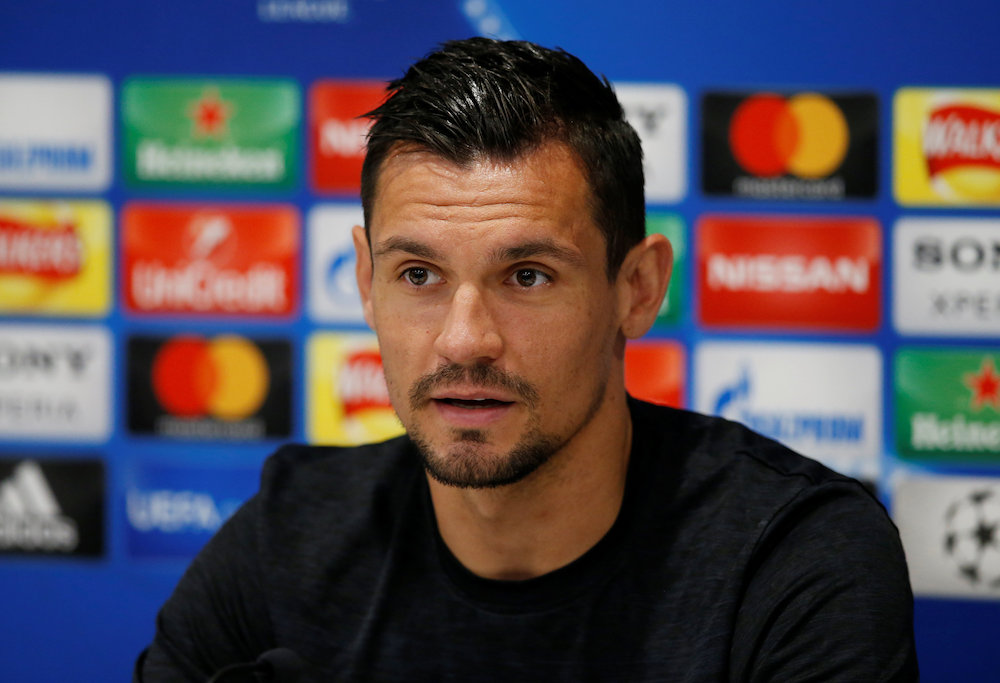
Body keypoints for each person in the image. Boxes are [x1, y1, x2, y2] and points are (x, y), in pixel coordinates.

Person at [136, 38, 917, 681]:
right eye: (418, 275)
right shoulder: (287, 540)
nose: (464, 338)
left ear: (636, 289)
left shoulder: (792, 563)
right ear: (367, 284)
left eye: (528, 276)